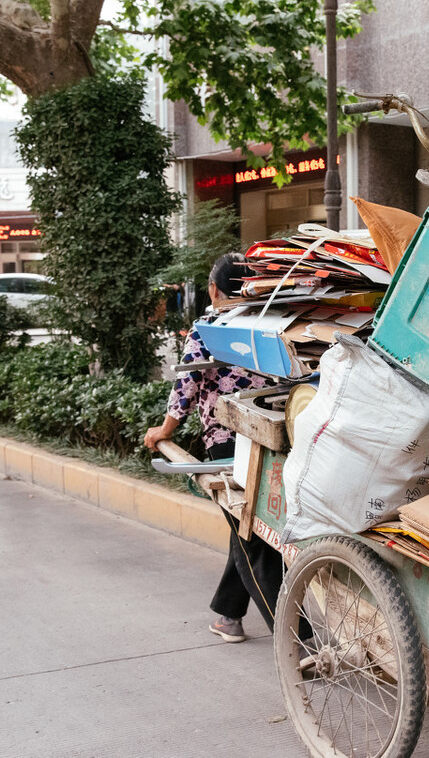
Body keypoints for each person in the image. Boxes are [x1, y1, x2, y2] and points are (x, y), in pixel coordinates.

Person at [144, 253, 281, 643]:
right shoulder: (269, 323)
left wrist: (163, 429)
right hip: (272, 437)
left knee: (250, 537)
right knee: (247, 527)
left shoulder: (208, 328)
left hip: (227, 445)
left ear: (213, 289)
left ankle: (297, 636)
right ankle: (227, 615)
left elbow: (185, 389)